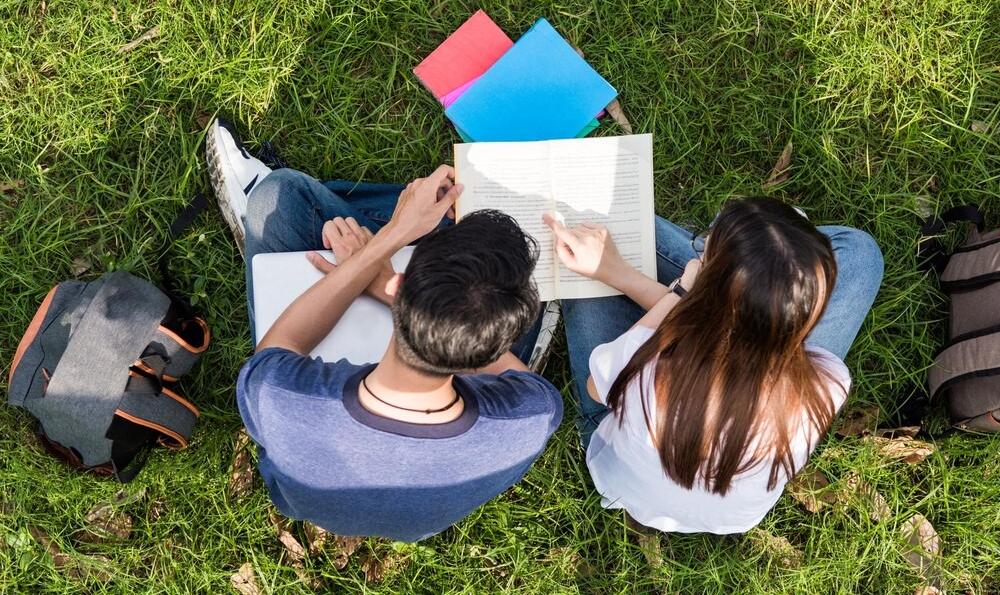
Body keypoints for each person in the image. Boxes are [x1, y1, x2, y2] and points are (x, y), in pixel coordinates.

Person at [206, 118, 563, 542]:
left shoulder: (281, 398)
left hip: (308, 495)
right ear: (490, 351)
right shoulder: (530, 418)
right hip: (419, 520)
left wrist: (387, 243)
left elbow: (281, 344)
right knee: (522, 259)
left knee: (276, 197)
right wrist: (387, 284)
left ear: (401, 282)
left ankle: (406, 220)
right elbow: (521, 381)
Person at [544, 197, 883, 533]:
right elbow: (731, 334)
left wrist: (671, 290)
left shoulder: (641, 369)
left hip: (618, 446)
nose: (698, 258)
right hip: (727, 516)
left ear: (705, 294)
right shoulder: (828, 383)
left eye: (703, 254)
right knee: (860, 254)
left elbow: (597, 388)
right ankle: (755, 267)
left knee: (591, 234)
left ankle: (738, 261)